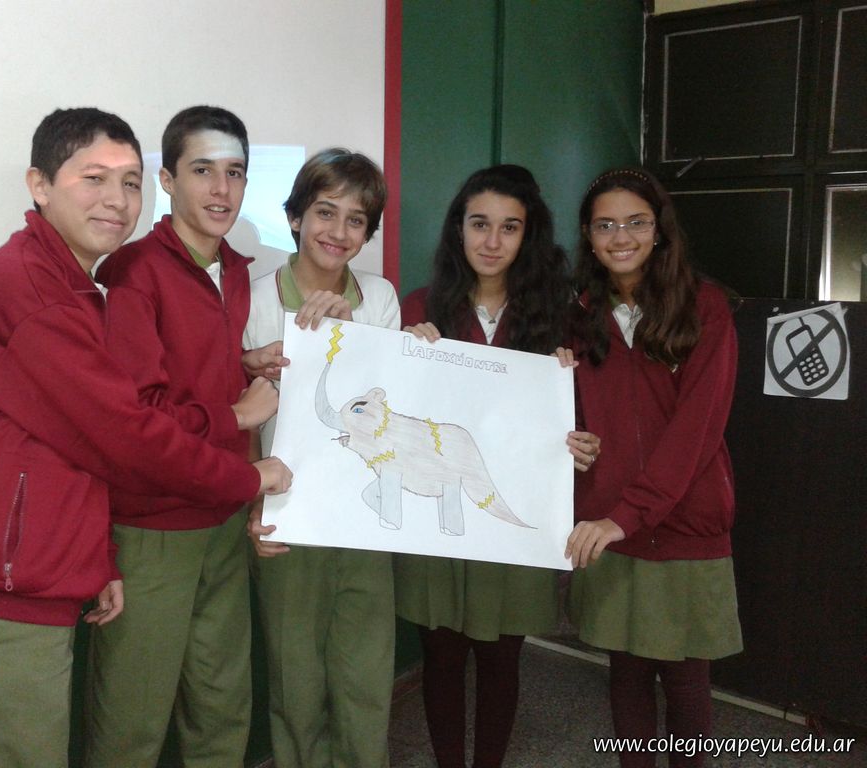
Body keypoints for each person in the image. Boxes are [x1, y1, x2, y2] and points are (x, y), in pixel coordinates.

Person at [0, 107, 291, 768]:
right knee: (67, 740)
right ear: (40, 185)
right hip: (10, 572)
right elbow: (127, 432)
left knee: (215, 705)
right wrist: (248, 466)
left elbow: (76, 443)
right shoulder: (46, 290)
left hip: (62, 556)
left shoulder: (78, 283)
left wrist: (96, 559)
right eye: (93, 178)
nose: (116, 199)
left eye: (127, 182)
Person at [84, 105, 277, 768]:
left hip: (222, 515)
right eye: (202, 171)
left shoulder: (236, 271)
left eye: (235, 173)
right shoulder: (133, 272)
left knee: (222, 709)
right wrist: (237, 416)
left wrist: (244, 364)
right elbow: (136, 416)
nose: (222, 190)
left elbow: (194, 372)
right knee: (131, 721)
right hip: (153, 529)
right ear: (167, 180)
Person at [396, 164, 600, 768]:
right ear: (458, 229)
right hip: (439, 514)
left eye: (509, 227)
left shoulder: (560, 316)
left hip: (514, 518)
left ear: (527, 235)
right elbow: (398, 416)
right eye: (479, 224)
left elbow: (581, 423)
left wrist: (581, 442)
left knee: (501, 658)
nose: (492, 241)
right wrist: (405, 355)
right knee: (441, 656)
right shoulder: (421, 307)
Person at [564, 168, 742, 768]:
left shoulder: (705, 306)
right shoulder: (579, 315)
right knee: (627, 672)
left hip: (683, 521)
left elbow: (697, 429)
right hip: (608, 524)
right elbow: (576, 415)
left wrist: (627, 514)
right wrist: (574, 439)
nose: (621, 237)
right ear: (588, 236)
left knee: (686, 679)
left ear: (659, 229)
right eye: (605, 225)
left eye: (636, 222)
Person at [244, 148, 400, 768]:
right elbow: (241, 414)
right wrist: (252, 507)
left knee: (366, 675)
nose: (338, 231)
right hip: (287, 514)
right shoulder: (255, 299)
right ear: (295, 218)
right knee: (295, 677)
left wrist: (352, 329)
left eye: (356, 220)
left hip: (366, 514)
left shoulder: (379, 298)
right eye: (325, 212)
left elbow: (394, 400)